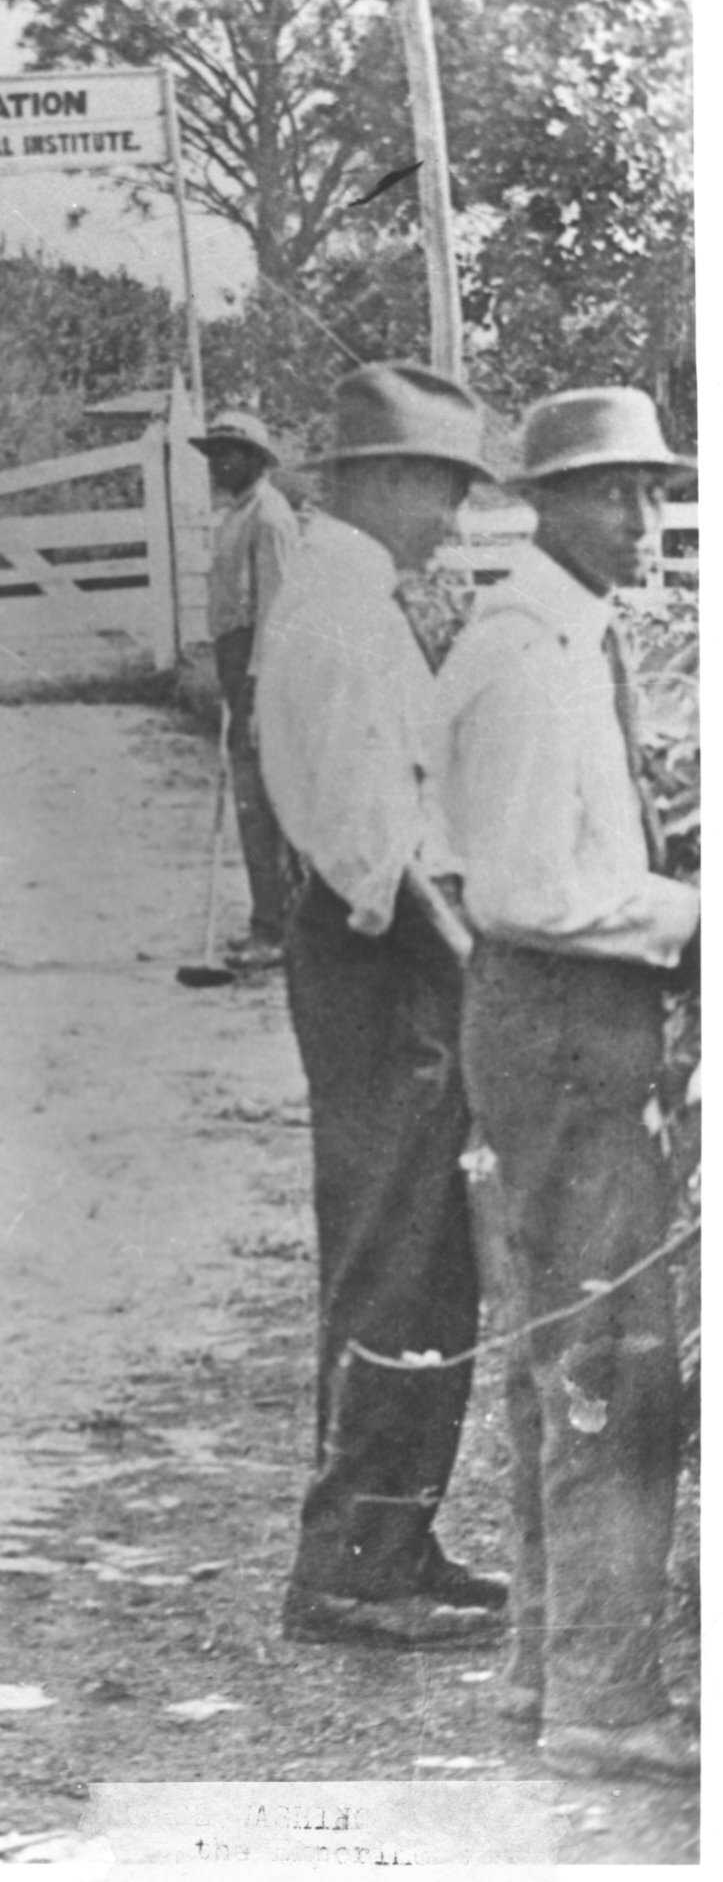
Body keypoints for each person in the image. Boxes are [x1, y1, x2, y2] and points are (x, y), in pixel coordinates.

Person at [432, 388, 699, 1783]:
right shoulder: (529, 656)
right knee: (611, 1363)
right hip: (556, 1020)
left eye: (650, 491)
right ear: (538, 500)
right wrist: (685, 916)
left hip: (551, 1019)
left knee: (567, 1354)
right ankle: (602, 1691)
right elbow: (531, 889)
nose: (638, 519)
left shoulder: (553, 636)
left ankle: (549, 1659)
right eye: (608, 493)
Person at [255, 362, 508, 1648]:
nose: (452, 515)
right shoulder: (338, 613)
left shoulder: (357, 596)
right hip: (384, 954)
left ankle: (396, 1537)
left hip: (391, 945)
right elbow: (375, 847)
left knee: (431, 1263)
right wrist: (473, 966)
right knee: (392, 1260)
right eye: (440, 486)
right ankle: (349, 1563)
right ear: (380, 481)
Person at [191, 409, 301, 969]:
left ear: (257, 461)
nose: (219, 464)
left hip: (264, 675)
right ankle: (270, 919)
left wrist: (257, 692)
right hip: (238, 669)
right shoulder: (235, 516)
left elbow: (277, 617)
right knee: (250, 803)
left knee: (264, 805)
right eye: (214, 454)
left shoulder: (271, 519)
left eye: (230, 454)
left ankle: (278, 930)